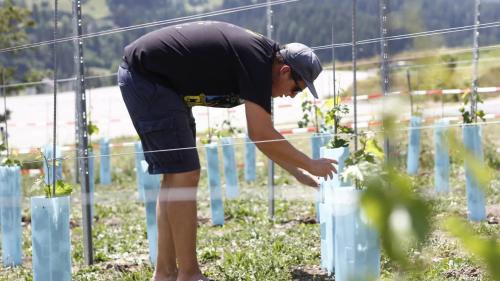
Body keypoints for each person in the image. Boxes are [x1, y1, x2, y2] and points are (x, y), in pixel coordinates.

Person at [118, 21, 337, 281]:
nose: (293, 96)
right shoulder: (258, 63)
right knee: (184, 174)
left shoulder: (261, 60)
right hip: (147, 77)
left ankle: (165, 274)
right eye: (296, 88)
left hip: (158, 81)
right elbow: (261, 133)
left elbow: (262, 135)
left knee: (178, 176)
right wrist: (309, 164)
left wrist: (296, 171)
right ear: (285, 70)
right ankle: (189, 274)